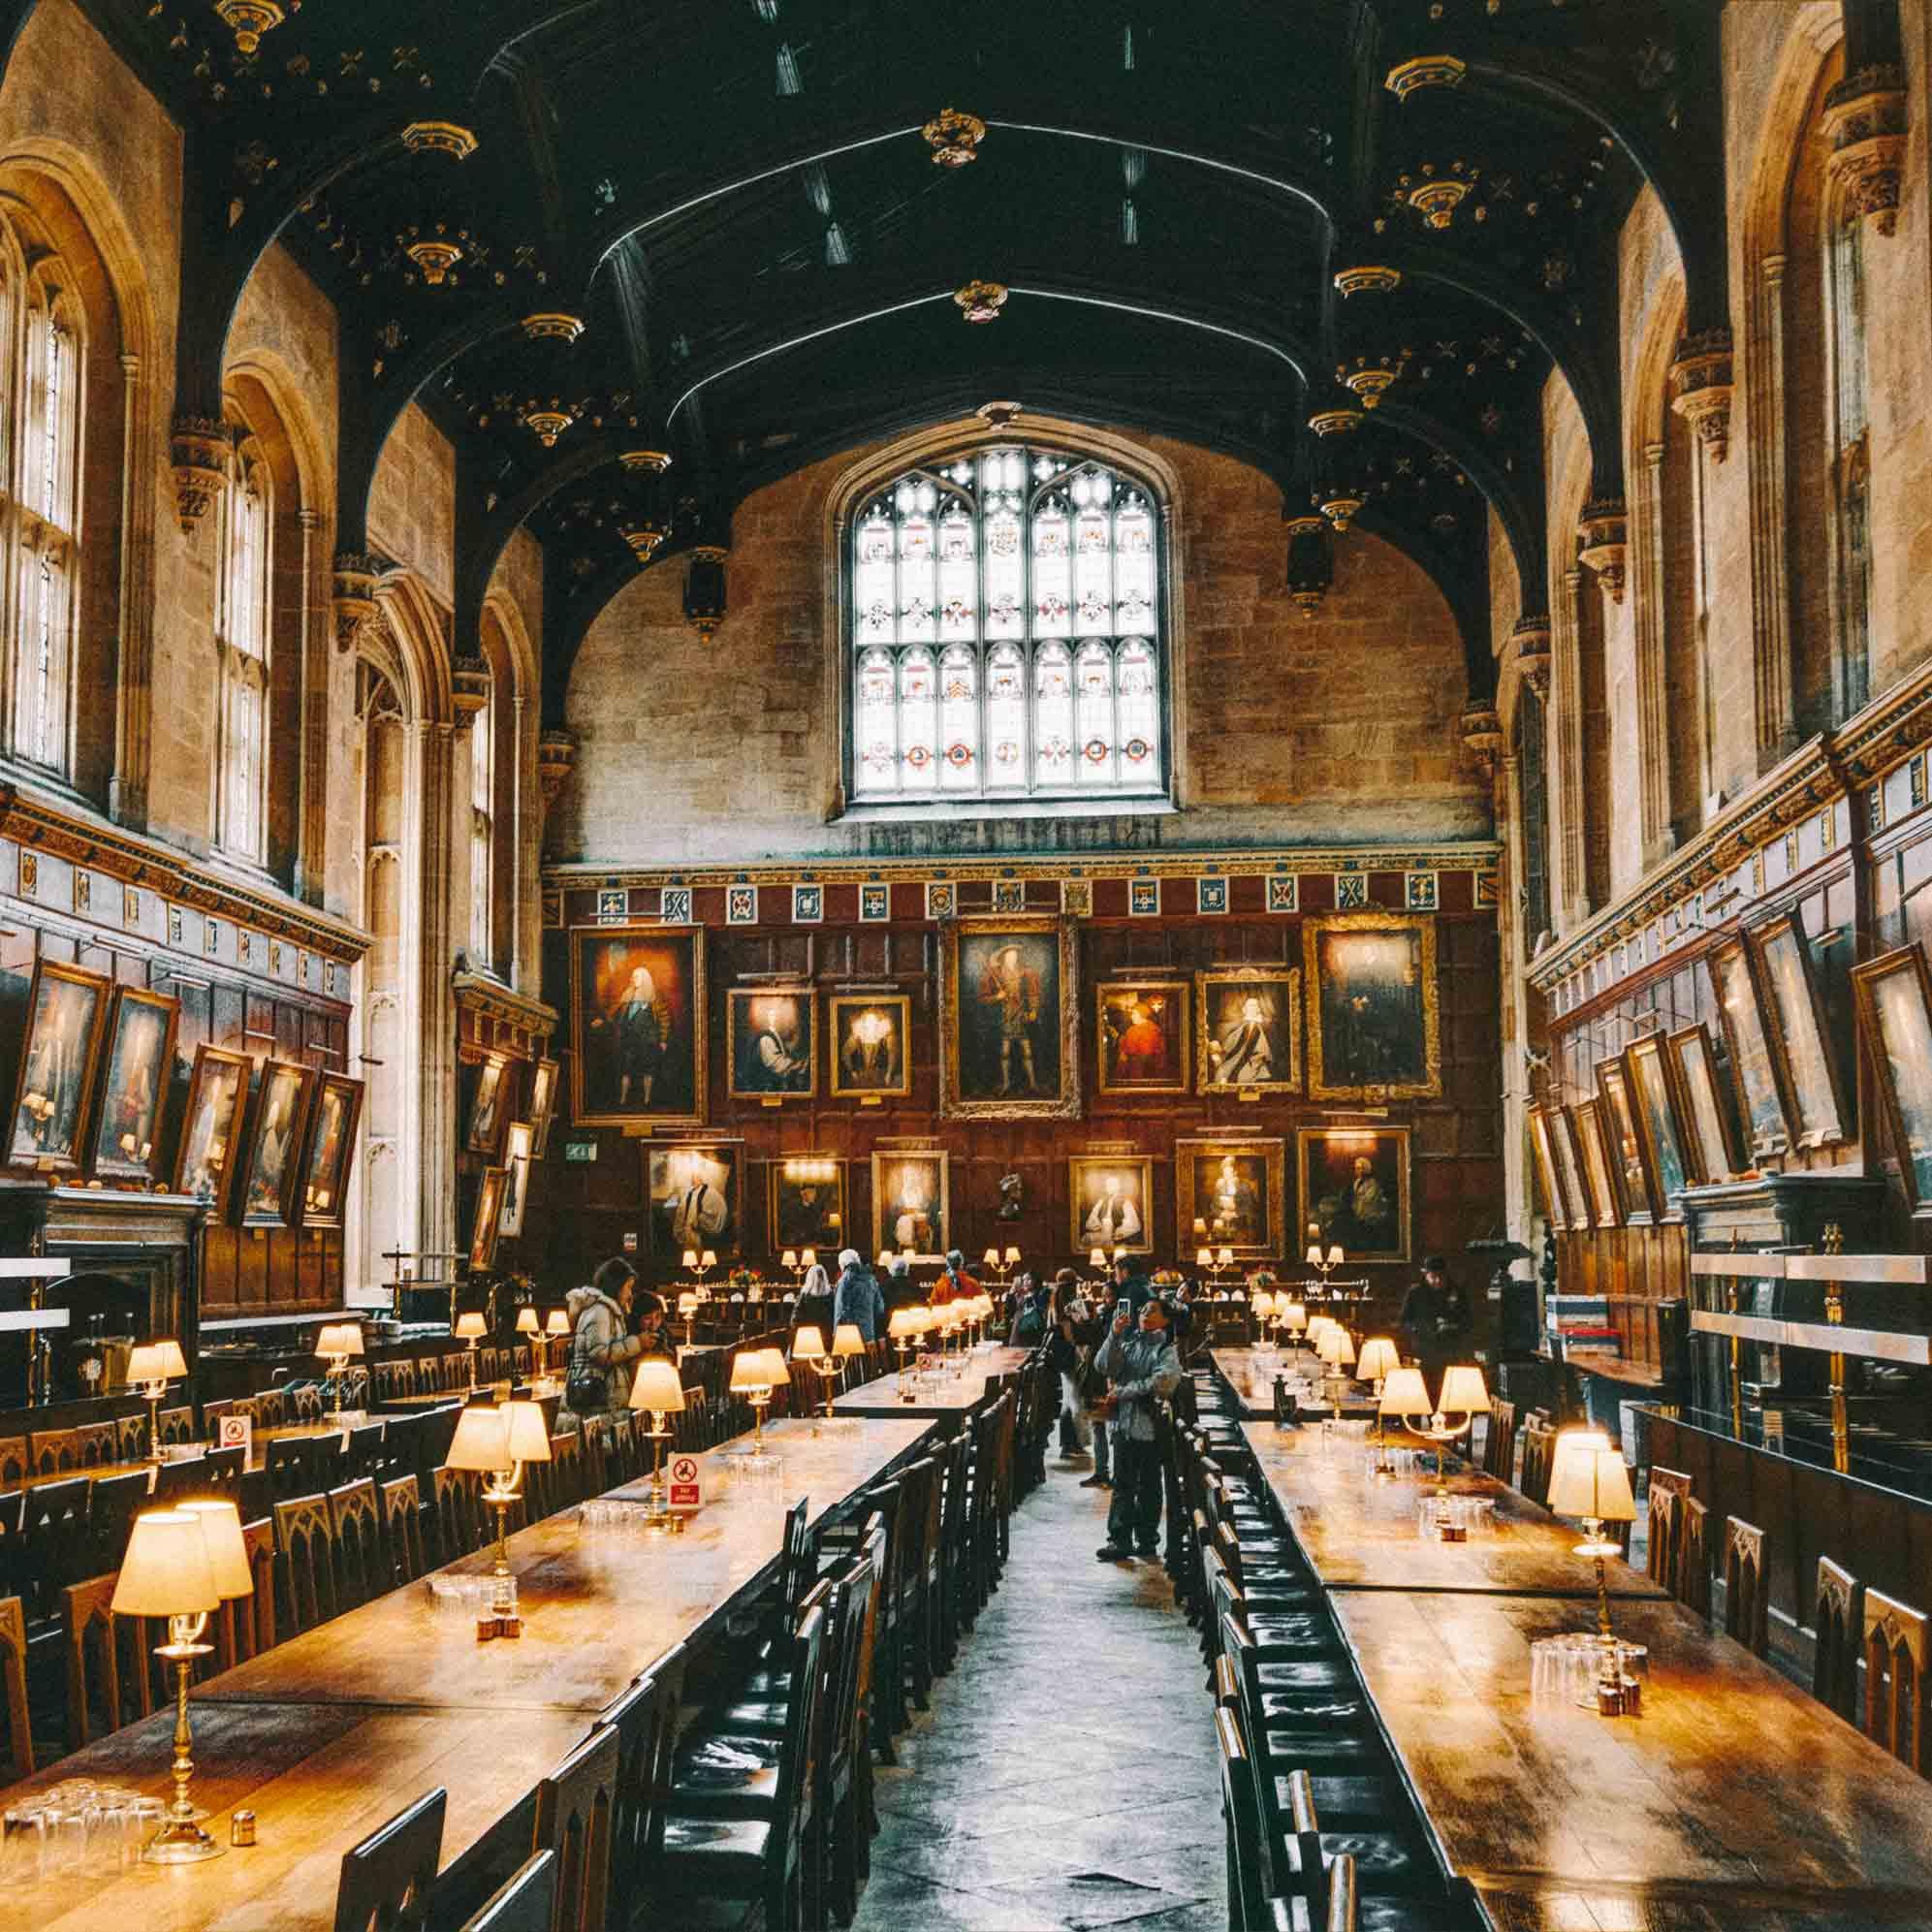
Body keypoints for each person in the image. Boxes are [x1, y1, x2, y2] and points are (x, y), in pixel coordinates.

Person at [1093, 1297, 1182, 1562]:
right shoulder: (1129, 1341)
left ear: (1166, 1319)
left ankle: (1146, 1539)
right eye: (1142, 1309)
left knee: (1149, 1486)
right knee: (1122, 1483)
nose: (1145, 1313)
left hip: (1150, 1426)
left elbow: (1164, 1382)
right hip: (1123, 1425)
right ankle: (1119, 1540)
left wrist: (1124, 1392)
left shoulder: (1166, 1348)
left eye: (1152, 1310)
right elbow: (1103, 1366)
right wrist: (1114, 1334)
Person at [560, 1258, 656, 1428]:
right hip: (597, 1396)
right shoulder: (600, 1312)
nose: (630, 1293)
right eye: (628, 1287)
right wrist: (637, 1343)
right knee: (600, 1445)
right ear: (616, 1285)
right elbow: (599, 1353)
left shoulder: (608, 1310)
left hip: (604, 1393)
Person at [977, 942, 1043, 1094]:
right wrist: (997, 997)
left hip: (1021, 1015)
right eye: (1009, 956)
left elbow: (1033, 992)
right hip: (1004, 1017)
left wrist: (1033, 1010)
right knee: (1005, 1051)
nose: (1013, 959)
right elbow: (983, 998)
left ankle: (1033, 1083)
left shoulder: (1025, 973)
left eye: (1015, 956)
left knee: (1027, 1050)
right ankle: (1006, 1084)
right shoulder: (995, 975)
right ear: (1004, 959)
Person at [1399, 1253, 1472, 1388]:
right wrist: (1419, 1329)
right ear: (1426, 1275)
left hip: (1450, 1352)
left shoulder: (1457, 1292)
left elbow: (1468, 1322)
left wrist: (1452, 1326)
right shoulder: (1415, 1293)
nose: (1437, 1281)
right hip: (1423, 1351)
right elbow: (1404, 1322)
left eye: (1441, 1276)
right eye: (1433, 1277)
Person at [832, 1248, 885, 1341]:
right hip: (868, 1333)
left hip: (849, 1335)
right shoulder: (871, 1279)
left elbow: (840, 1311)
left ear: (844, 1264)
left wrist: (835, 1334)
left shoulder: (844, 1281)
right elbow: (880, 1308)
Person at [1082, 1175, 1144, 1249]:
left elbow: (1133, 1224)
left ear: (1118, 1187)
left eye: (1112, 1185)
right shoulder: (1101, 1201)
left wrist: (1118, 1231)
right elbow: (1092, 1219)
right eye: (1107, 1185)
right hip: (1103, 1233)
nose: (1108, 1187)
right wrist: (1099, 1227)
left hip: (1118, 1237)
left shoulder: (1125, 1202)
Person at [795, 1259, 835, 1338]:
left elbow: (796, 1318)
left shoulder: (804, 1295)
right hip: (826, 1333)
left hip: (807, 1334)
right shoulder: (830, 1295)